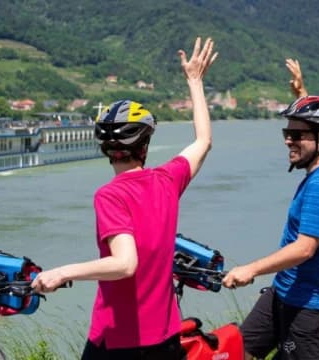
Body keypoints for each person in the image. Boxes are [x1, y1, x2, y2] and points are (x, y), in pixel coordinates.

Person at [31, 36, 218, 360]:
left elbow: (124, 263)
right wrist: (194, 81)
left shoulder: (110, 195)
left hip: (118, 342)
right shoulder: (167, 180)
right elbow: (203, 141)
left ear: (105, 149)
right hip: (166, 339)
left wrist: (62, 272)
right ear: (144, 147)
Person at [222, 61, 319, 360]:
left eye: (296, 135)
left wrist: (250, 269)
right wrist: (302, 93)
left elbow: (306, 248)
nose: (288, 140)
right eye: (287, 131)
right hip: (282, 290)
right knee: (235, 352)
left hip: (307, 304)